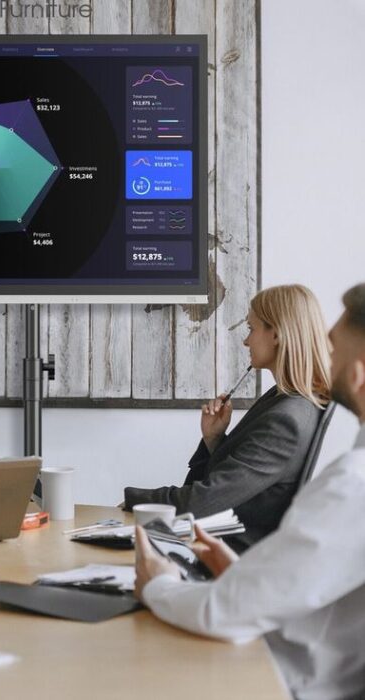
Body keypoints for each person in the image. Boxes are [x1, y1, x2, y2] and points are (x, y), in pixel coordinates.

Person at [134, 283, 365, 700]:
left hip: (281, 679)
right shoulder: (286, 412)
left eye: (333, 349)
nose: (323, 358)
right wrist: (242, 576)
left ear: (358, 374)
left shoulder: (352, 486)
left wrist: (158, 584)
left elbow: (225, 614)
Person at [123, 284, 331, 551]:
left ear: (277, 334)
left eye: (251, 329)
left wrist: (133, 499)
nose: (246, 341)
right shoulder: (282, 402)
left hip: (229, 555)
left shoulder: (286, 419)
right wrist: (214, 439)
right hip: (215, 544)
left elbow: (202, 502)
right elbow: (232, 484)